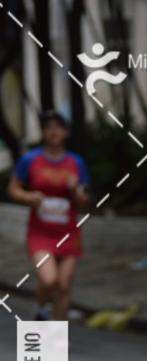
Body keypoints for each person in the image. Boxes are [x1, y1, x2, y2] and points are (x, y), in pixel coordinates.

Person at [7, 110, 91, 321]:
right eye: (48, 127)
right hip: (40, 233)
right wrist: (29, 197)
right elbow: (13, 189)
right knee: (49, 278)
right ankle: (40, 307)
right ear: (43, 132)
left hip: (68, 232)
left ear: (66, 132)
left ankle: (56, 340)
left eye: (58, 127)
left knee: (63, 286)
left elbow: (85, 200)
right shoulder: (30, 159)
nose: (53, 132)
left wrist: (75, 191)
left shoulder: (76, 162)